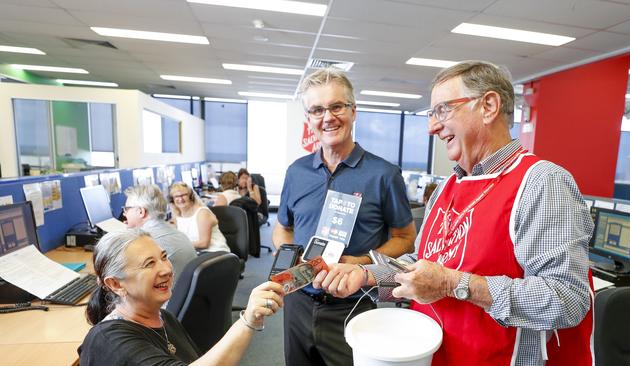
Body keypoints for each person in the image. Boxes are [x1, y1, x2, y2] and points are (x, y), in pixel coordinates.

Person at [314, 61, 595, 366]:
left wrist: (453, 284)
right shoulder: (448, 187)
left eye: (443, 110)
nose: (431, 127)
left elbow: (568, 299)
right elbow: (421, 265)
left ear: (488, 106)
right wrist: (366, 274)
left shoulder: (542, 183)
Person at [273, 67, 417, 366]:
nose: (327, 117)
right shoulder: (296, 172)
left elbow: (405, 239)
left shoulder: (384, 175)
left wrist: (359, 262)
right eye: (317, 110)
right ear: (309, 119)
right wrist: (291, 258)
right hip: (298, 301)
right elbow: (282, 228)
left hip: (354, 306)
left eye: (337, 106)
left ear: (353, 111)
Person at [78, 229, 284, 365]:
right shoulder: (110, 341)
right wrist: (248, 320)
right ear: (115, 284)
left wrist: (251, 319)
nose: (166, 269)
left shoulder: (162, 318)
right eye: (149, 263)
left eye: (164, 257)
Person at [123, 184, 196, 287]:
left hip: (165, 299)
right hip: (186, 297)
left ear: (141, 211)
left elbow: (129, 281)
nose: (124, 214)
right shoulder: (177, 232)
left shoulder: (144, 243)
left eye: (126, 209)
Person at [168, 182, 230, 253]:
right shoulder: (177, 217)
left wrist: (180, 245)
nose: (180, 199)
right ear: (172, 200)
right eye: (177, 196)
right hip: (196, 253)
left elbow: (204, 243)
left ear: (191, 196)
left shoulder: (202, 213)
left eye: (183, 195)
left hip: (214, 252)